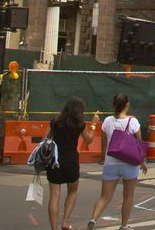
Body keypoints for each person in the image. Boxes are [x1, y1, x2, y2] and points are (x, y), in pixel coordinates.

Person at [86, 93, 146, 230]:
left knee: (105, 196)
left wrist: (103, 156)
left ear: (113, 105)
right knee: (128, 196)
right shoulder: (133, 122)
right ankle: (124, 225)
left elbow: (103, 141)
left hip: (111, 162)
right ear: (127, 105)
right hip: (129, 163)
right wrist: (142, 160)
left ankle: (93, 219)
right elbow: (139, 142)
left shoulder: (107, 121)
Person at [46, 96, 97, 230]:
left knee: (54, 196)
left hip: (54, 161)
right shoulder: (80, 125)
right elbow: (89, 140)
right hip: (71, 161)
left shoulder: (55, 122)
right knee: (72, 191)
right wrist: (94, 124)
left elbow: (45, 139)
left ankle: (54, 228)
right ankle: (66, 222)